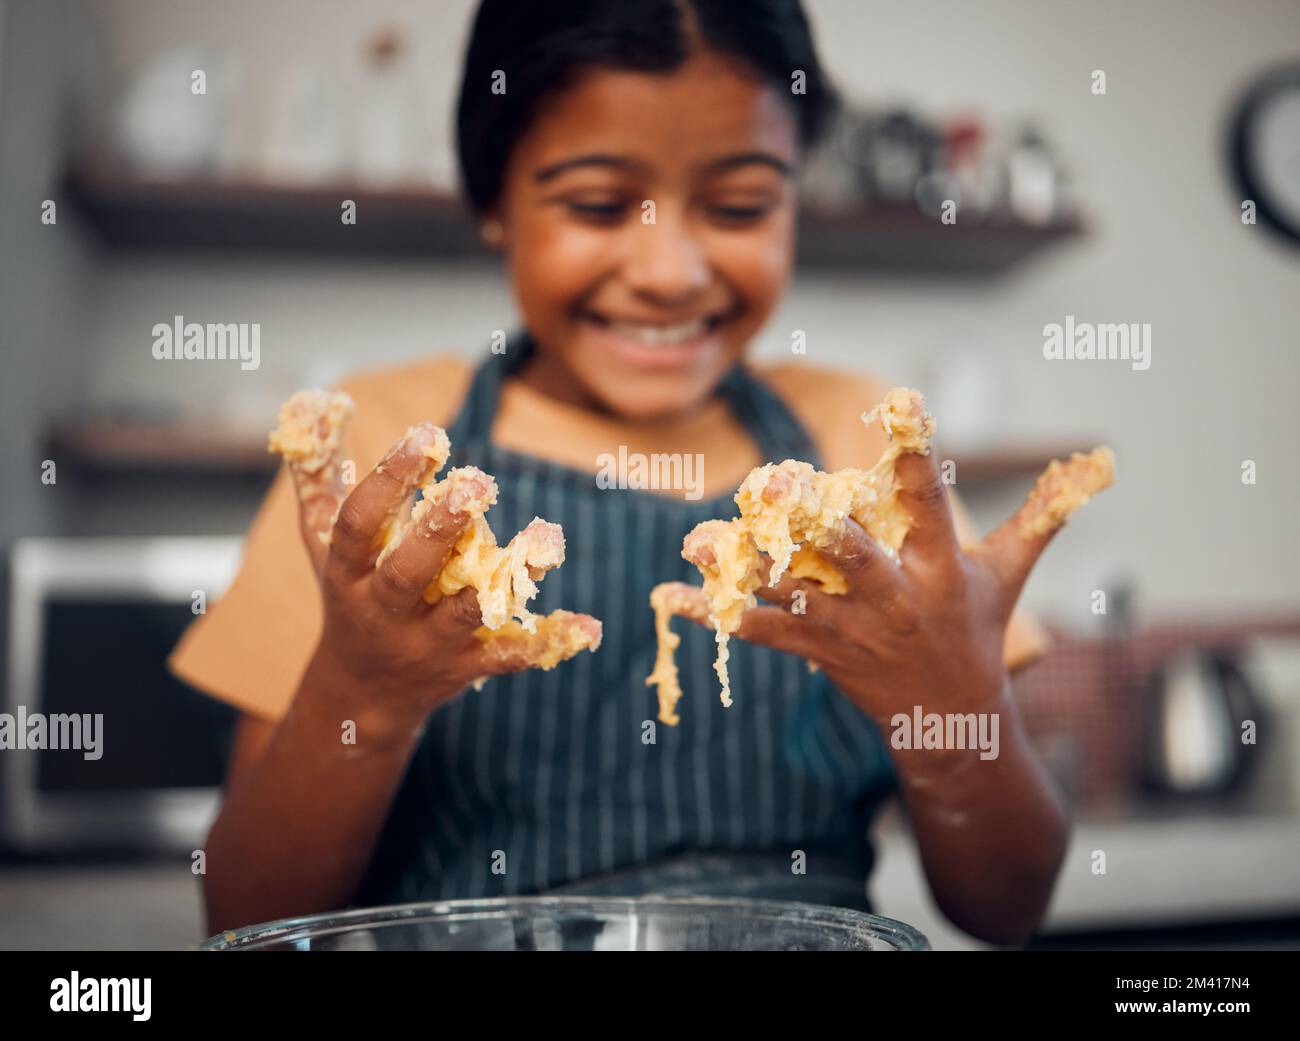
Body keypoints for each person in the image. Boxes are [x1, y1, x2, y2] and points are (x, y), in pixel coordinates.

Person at [170, 0, 1068, 945]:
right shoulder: (378, 451)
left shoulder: (866, 448)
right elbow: (246, 914)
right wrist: (361, 694)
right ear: (493, 198)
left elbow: (1008, 905)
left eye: (739, 206)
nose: (670, 270)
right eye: (599, 205)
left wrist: (958, 705)